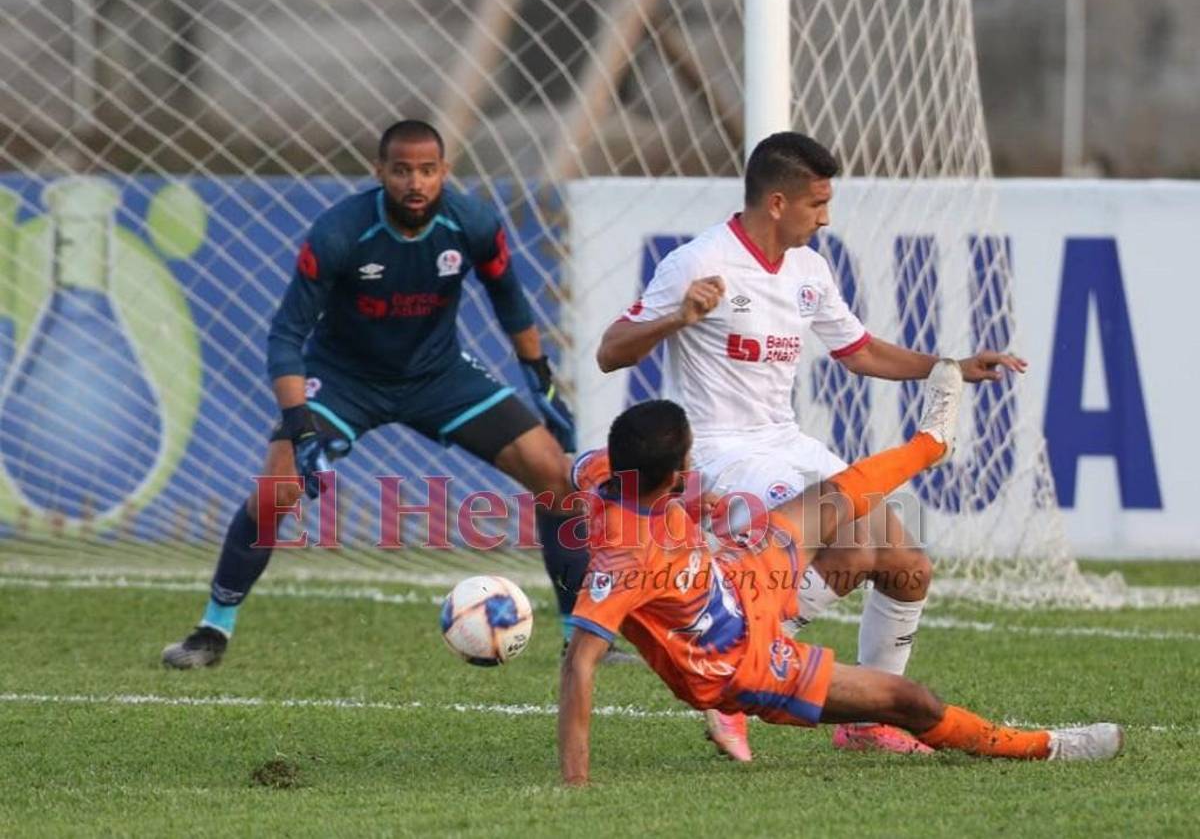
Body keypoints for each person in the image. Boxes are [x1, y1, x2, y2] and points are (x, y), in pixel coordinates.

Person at [594, 131, 1027, 758]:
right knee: (855, 540)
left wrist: (950, 367)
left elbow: (861, 352)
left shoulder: (809, 269)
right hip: (722, 453)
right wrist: (678, 319)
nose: (826, 218)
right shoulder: (697, 262)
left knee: (908, 568)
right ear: (776, 202)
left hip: (787, 441)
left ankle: (868, 720)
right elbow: (611, 351)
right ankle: (741, 674)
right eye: (816, 205)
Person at [163, 119, 588, 667]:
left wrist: (541, 377)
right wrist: (299, 423)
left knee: (553, 473)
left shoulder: (473, 222)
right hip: (343, 379)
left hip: (439, 375)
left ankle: (581, 636)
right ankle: (211, 630)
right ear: (380, 172)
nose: (416, 182)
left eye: (428, 171)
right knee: (277, 492)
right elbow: (286, 335)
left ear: (445, 173)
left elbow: (508, 295)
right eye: (403, 170)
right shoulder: (340, 233)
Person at [558, 378, 1122, 786]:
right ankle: (1046, 748)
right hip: (742, 663)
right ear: (675, 472)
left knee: (834, 497)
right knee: (911, 701)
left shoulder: (603, 471)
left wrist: (705, 502)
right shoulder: (624, 561)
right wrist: (575, 785)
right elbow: (580, 662)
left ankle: (932, 443)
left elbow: (570, 468)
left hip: (734, 575)